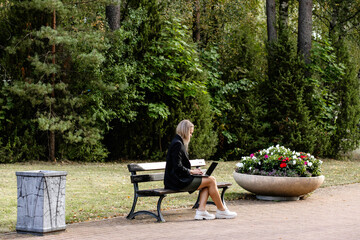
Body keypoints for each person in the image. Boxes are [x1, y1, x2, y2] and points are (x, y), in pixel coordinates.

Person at [164, 119, 237, 220]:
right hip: (176, 181)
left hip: (177, 179)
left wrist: (193, 172)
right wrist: (191, 171)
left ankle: (201, 211)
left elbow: (178, 166)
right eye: (190, 133)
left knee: (208, 181)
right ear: (185, 131)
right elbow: (177, 167)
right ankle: (221, 210)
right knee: (211, 180)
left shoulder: (178, 142)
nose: (191, 135)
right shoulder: (177, 144)